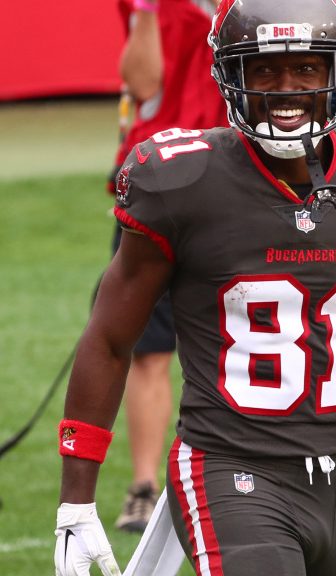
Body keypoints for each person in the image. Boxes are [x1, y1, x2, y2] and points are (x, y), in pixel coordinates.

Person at [54, 1, 336, 574]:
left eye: (306, 67)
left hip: (334, 477)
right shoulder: (182, 180)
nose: (286, 88)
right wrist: (76, 500)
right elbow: (108, 340)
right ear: (231, 74)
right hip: (227, 468)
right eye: (264, 69)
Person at [108, 0, 228, 533]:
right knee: (148, 348)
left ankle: (239, 477)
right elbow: (141, 81)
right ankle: (143, 487)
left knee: (236, 342)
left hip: (232, 178)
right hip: (158, 183)